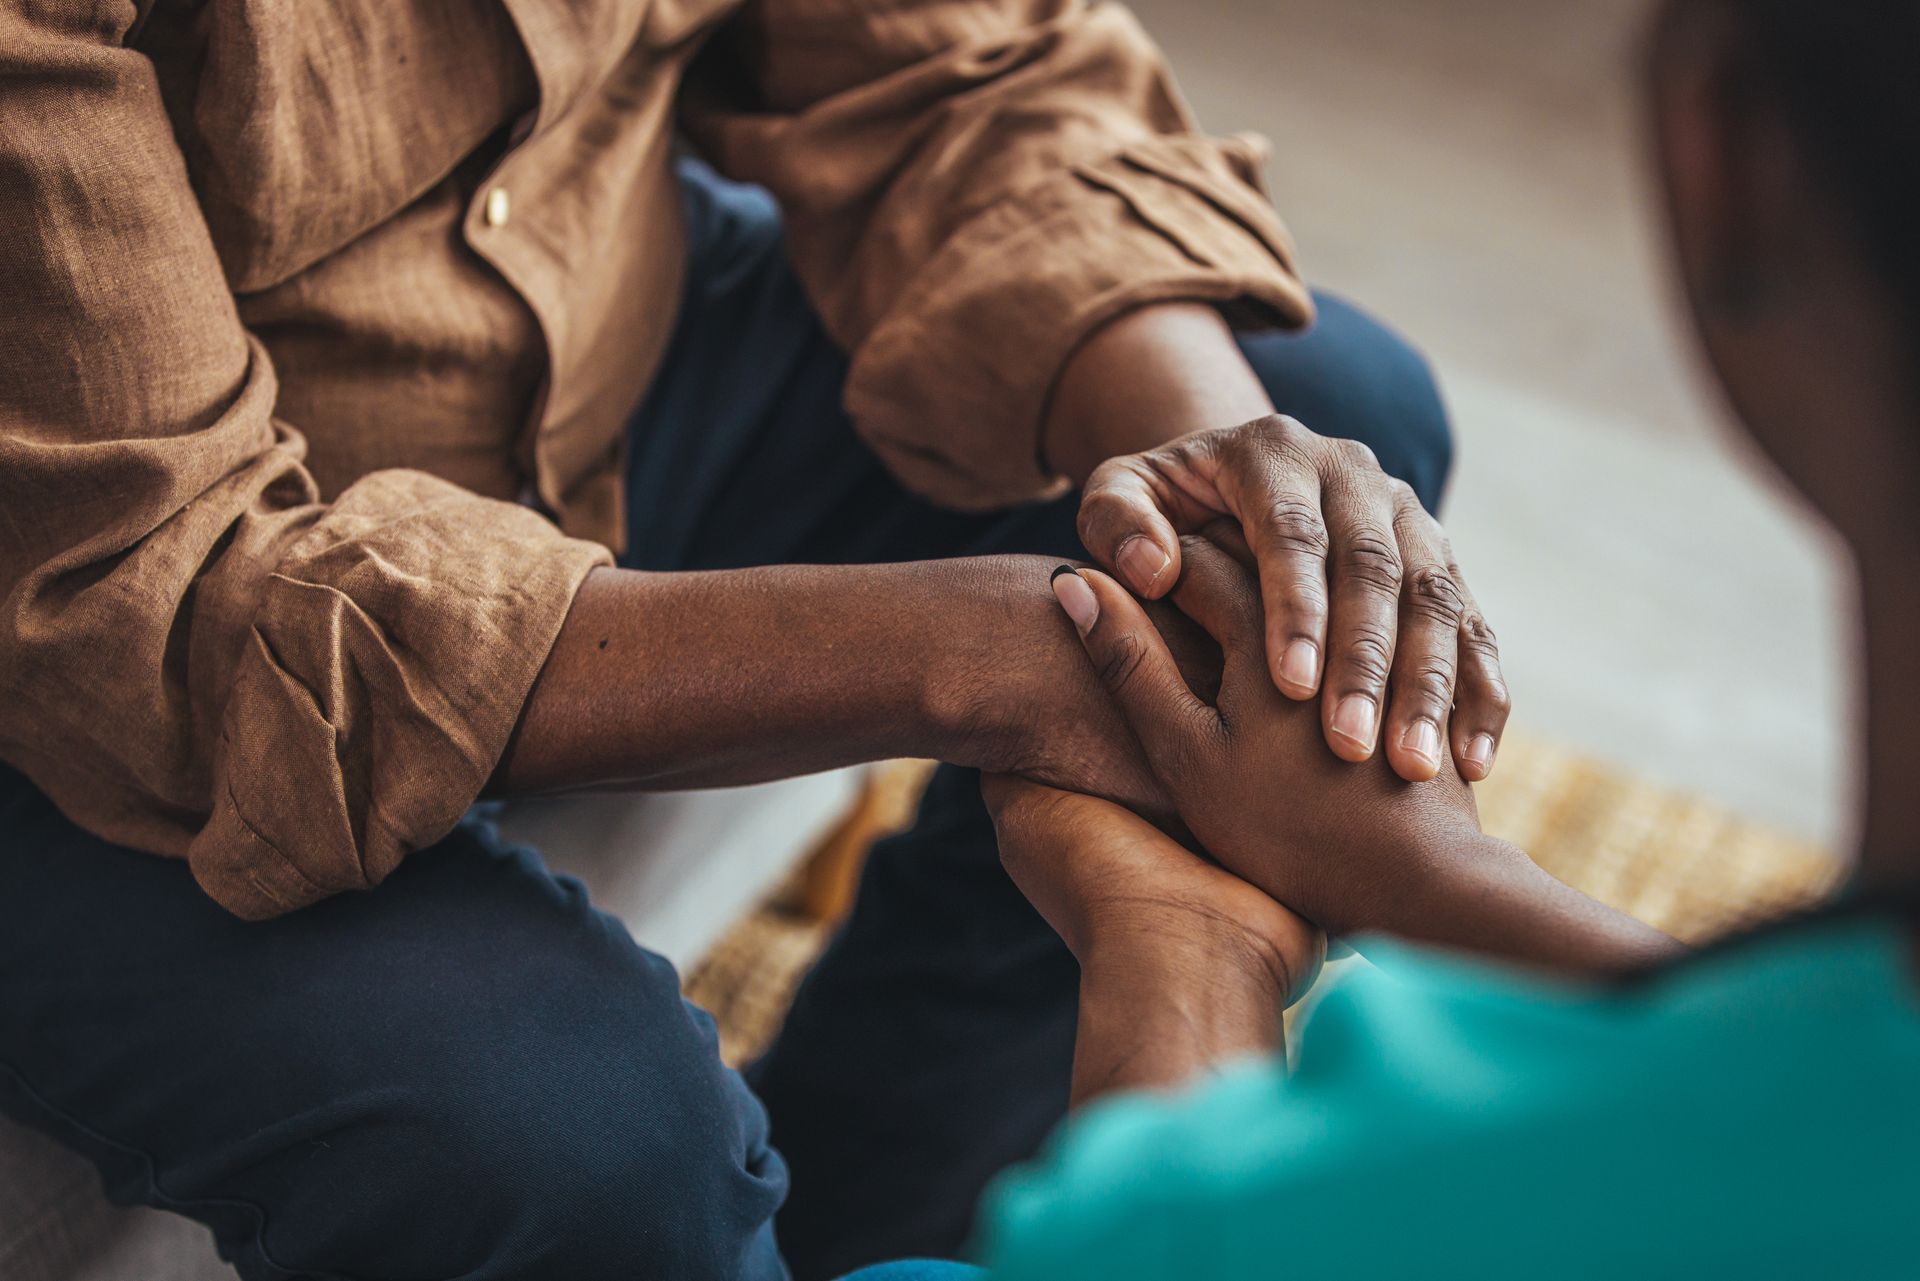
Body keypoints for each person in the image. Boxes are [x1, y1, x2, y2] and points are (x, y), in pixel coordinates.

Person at [0, 2, 1502, 1279]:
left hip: (592, 358)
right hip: (84, 635)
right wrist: (960, 656)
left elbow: (959, 66)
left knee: (1316, 449)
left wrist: (1217, 473)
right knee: (585, 1143)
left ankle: (882, 1215)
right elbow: (147, 586)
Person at [975, 2, 1920, 1276]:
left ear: (1728, 158)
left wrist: (1183, 942)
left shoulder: (1377, 1206)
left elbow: (1116, 1243)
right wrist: (1442, 883)